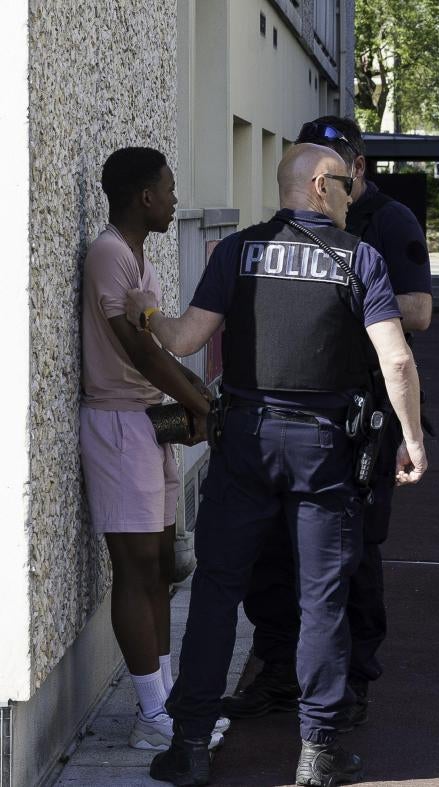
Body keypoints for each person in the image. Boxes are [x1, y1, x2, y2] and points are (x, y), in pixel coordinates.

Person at [133, 144, 428, 786]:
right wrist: (412, 437)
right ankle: (317, 752)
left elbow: (184, 338)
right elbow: (397, 360)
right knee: (322, 596)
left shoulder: (237, 251)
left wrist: (144, 316)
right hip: (323, 447)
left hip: (243, 438)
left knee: (216, 589)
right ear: (321, 186)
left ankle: (188, 745)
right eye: (347, 186)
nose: (354, 197)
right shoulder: (359, 258)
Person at [220, 116, 435, 730]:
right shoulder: (280, 231)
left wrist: (352, 288)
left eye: (342, 165)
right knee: (271, 553)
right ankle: (279, 669)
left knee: (355, 553)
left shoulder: (389, 224)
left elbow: (419, 313)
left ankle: (354, 680)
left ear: (356, 168)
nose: (334, 179)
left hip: (361, 408)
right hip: (292, 410)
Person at [79, 147, 227, 752]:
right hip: (116, 427)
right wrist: (199, 405)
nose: (174, 198)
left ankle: (164, 704)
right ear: (143, 196)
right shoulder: (109, 253)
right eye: (168, 188)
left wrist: (192, 399)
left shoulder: (139, 255)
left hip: (147, 422)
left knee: (162, 567)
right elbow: (136, 350)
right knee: (136, 570)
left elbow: (157, 350)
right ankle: (150, 716)